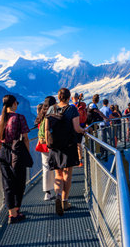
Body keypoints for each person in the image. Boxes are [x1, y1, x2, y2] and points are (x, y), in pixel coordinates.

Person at [45, 88, 85, 216]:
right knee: (67, 173)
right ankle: (65, 201)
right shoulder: (72, 109)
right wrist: (85, 131)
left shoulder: (51, 109)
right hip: (69, 145)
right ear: (68, 98)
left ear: (58, 97)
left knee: (58, 174)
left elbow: (46, 129)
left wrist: (48, 144)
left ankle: (57, 195)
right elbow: (77, 128)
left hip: (55, 146)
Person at [0, 95, 31, 224]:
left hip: (3, 152)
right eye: (17, 102)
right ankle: (16, 210)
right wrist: (27, 152)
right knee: (19, 182)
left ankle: (12, 214)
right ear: (14, 104)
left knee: (8, 184)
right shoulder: (19, 117)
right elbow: (25, 138)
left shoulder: (0, 118)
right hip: (17, 152)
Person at [35, 96, 57, 201]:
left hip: (43, 145)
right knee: (56, 166)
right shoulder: (53, 114)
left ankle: (47, 192)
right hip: (53, 143)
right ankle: (58, 190)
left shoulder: (41, 115)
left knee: (46, 168)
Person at [70, 92, 87, 166]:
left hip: (73, 127)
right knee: (79, 143)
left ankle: (75, 160)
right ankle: (80, 160)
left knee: (74, 144)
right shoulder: (82, 106)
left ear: (72, 98)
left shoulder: (71, 106)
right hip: (82, 126)